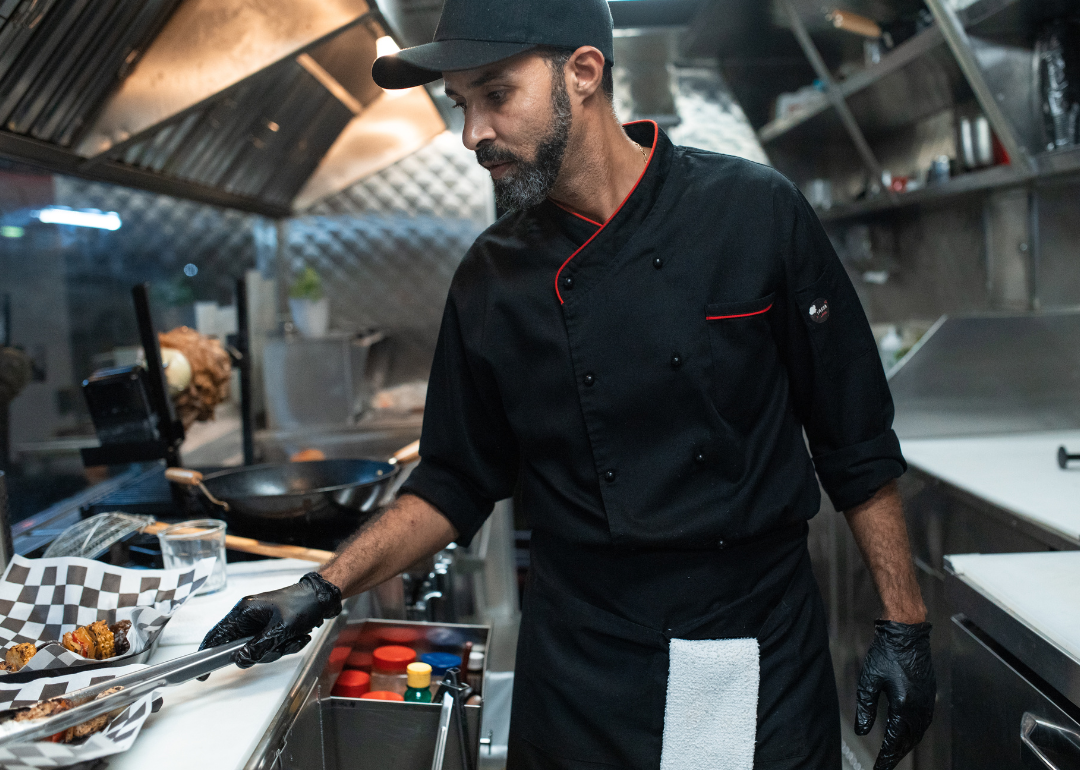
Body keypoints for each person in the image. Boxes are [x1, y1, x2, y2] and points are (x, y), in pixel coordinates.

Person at [200, 1, 936, 767]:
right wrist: (321, 588)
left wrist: (904, 625)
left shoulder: (755, 213)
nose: (472, 133)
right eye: (462, 103)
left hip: (749, 641)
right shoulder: (492, 278)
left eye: (495, 94)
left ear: (583, 73)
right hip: (585, 664)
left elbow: (854, 439)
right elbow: (453, 481)